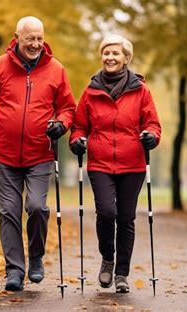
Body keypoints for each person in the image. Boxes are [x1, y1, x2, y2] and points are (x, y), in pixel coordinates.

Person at [0, 16, 76, 291]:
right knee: (9, 212)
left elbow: (67, 108)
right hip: (4, 156)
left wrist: (61, 125)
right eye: (30, 39)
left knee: (37, 208)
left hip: (40, 154)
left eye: (40, 38)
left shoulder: (56, 70)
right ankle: (15, 270)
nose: (36, 44)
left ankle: (36, 257)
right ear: (17, 38)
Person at [69, 34, 161, 293]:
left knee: (126, 218)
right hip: (100, 164)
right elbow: (78, 125)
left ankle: (122, 273)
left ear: (126, 59)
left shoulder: (141, 91)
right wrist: (77, 140)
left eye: (115, 53)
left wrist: (151, 136)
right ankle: (107, 259)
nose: (110, 57)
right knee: (107, 213)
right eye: (106, 53)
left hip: (132, 164)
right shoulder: (91, 91)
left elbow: (152, 123)